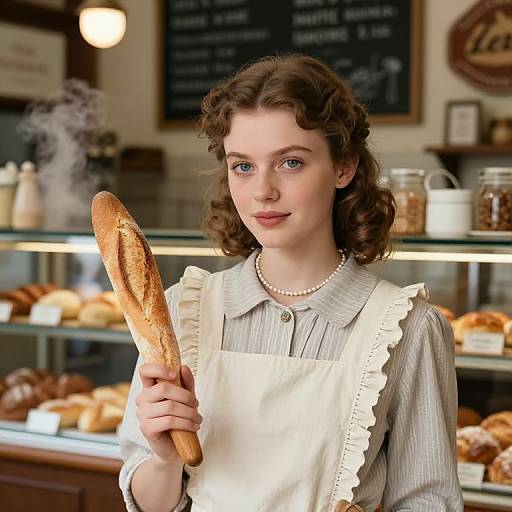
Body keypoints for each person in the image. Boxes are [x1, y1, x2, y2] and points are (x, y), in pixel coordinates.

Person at [118, 55, 463, 512]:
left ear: (344, 167)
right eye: (243, 166)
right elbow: (150, 504)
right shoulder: (182, 310)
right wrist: (163, 460)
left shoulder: (408, 329)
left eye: (291, 163)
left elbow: (429, 502)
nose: (263, 190)